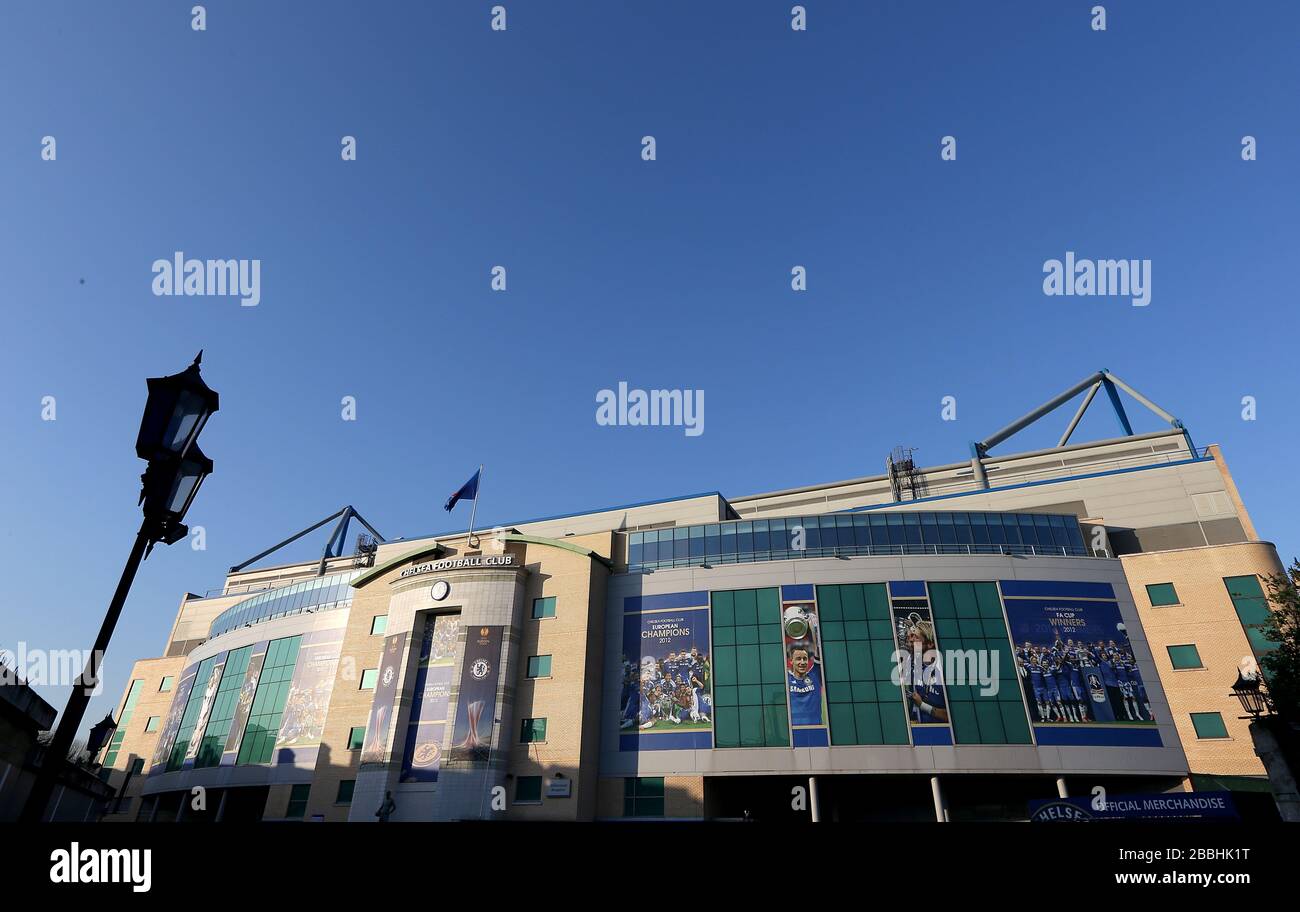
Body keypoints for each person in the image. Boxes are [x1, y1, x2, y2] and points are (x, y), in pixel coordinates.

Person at [787, 642, 824, 726]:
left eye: (805, 658)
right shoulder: (787, 680)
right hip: (794, 732)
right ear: (791, 661)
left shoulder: (815, 675)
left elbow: (819, 651)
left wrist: (816, 632)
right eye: (798, 659)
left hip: (815, 731)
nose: (802, 662)